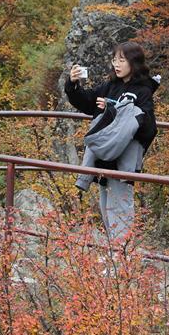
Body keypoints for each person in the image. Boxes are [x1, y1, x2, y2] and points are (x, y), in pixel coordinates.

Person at [65, 42, 159, 242]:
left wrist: (114, 108)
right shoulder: (111, 86)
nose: (116, 64)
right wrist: (73, 85)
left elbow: (148, 126)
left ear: (134, 63)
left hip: (123, 161)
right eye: (114, 59)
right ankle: (114, 258)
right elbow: (87, 101)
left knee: (120, 210)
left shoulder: (143, 91)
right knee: (106, 209)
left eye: (122, 60)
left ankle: (121, 262)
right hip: (104, 157)